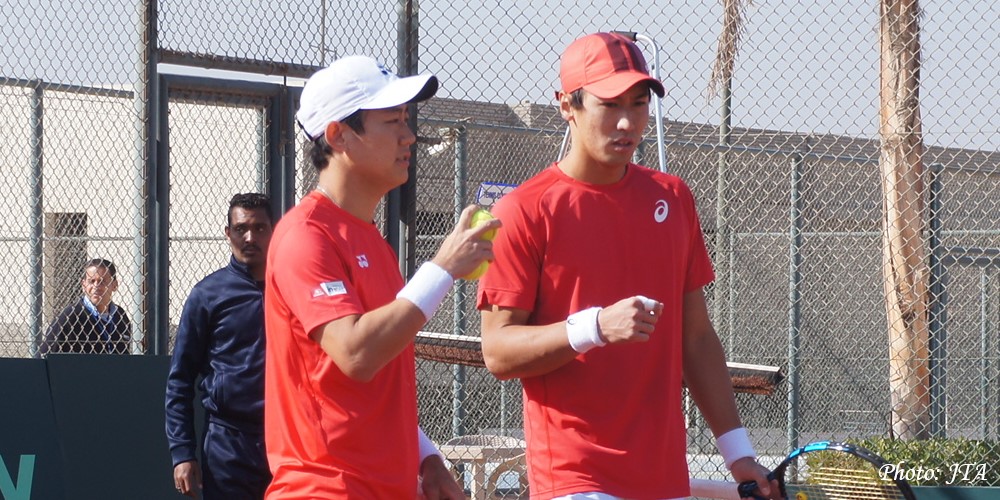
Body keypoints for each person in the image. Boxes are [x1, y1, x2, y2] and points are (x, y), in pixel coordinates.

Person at [477, 32, 779, 500]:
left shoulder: (672, 198)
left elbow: (696, 337)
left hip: (663, 479)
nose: (627, 122)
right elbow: (497, 351)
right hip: (575, 481)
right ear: (566, 106)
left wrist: (738, 453)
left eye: (639, 104)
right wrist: (593, 327)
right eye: (610, 104)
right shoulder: (523, 210)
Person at [263, 55, 499, 499]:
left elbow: (378, 390)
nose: (409, 135)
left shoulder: (373, 243)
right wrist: (443, 268)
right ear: (338, 135)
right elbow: (355, 353)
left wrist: (427, 459)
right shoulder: (304, 236)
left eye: (407, 119)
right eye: (393, 120)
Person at [165, 193, 274, 499]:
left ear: (273, 230)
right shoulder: (207, 295)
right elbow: (180, 379)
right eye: (241, 229)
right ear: (228, 233)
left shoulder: (292, 288)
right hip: (228, 447)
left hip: (287, 441)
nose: (250, 237)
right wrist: (182, 453)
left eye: (260, 228)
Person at [40, 258, 133, 355]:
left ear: (115, 285)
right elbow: (44, 356)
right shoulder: (70, 316)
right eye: (91, 281)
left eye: (102, 281)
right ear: (84, 285)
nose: (96, 286)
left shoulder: (120, 315)